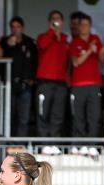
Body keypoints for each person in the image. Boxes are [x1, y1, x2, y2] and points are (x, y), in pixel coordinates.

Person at [69, 13, 104, 157]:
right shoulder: (74, 42)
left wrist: (102, 51)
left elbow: (101, 59)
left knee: (94, 116)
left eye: (86, 25)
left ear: (90, 27)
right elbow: (76, 62)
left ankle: (92, 145)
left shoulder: (96, 39)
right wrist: (90, 50)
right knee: (79, 116)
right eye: (81, 25)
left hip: (94, 83)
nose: (83, 27)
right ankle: (80, 144)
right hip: (78, 84)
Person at [36, 10, 69, 151]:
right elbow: (42, 45)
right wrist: (51, 31)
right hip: (45, 81)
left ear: (62, 22)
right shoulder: (43, 36)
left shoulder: (66, 39)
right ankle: (44, 143)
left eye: (58, 19)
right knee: (43, 112)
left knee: (57, 113)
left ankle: (54, 142)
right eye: (53, 19)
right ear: (50, 22)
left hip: (61, 81)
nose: (56, 21)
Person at [1, 16, 37, 137]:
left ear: (22, 28)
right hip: (10, 83)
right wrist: (10, 46)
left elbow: (35, 61)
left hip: (26, 84)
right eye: (13, 27)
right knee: (9, 114)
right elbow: (1, 58)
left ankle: (21, 142)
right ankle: (8, 140)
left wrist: (33, 78)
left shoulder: (29, 43)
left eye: (18, 26)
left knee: (24, 117)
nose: (15, 29)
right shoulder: (5, 41)